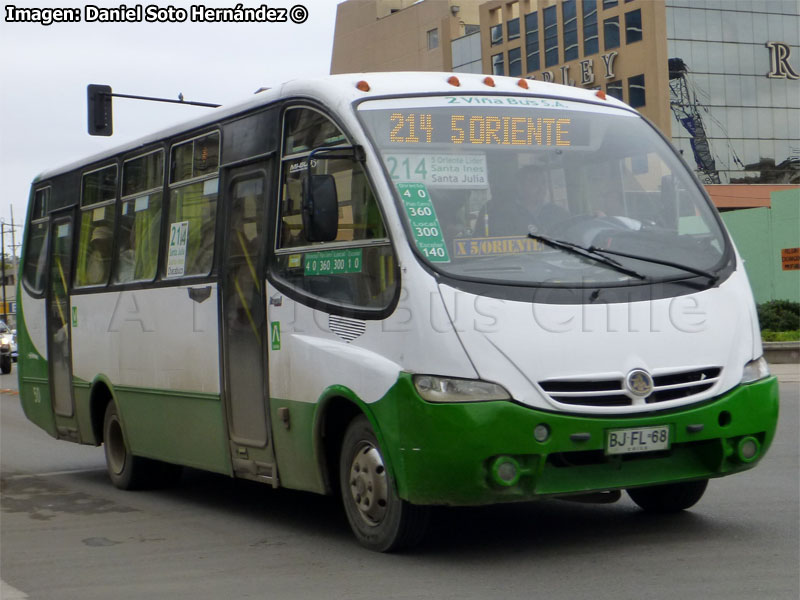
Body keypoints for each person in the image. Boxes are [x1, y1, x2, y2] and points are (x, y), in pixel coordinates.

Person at [487, 168, 570, 236]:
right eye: (534, 182)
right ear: (519, 186)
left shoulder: (558, 213)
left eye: (543, 183)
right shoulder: (503, 215)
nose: (541, 188)